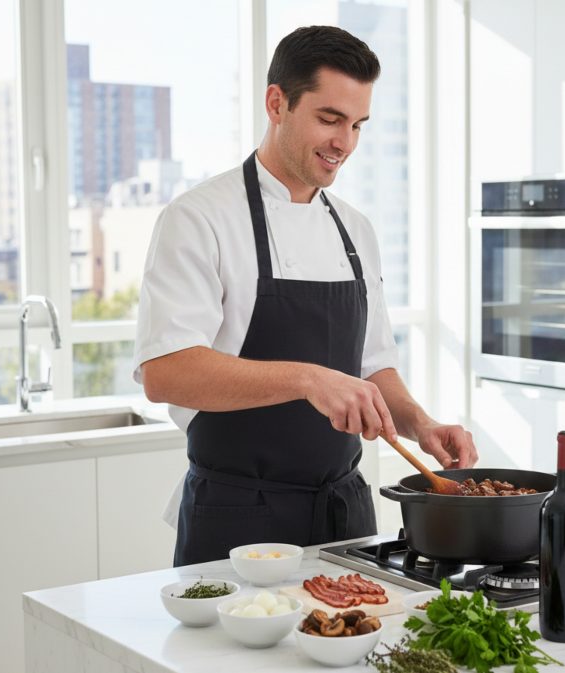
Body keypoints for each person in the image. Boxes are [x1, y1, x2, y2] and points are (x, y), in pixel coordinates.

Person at [133, 25, 478, 567]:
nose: (345, 142)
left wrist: (420, 422)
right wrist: (307, 378)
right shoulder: (199, 218)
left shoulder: (355, 229)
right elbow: (165, 372)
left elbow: (373, 367)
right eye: (329, 118)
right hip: (237, 517)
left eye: (358, 124)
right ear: (277, 103)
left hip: (346, 513)